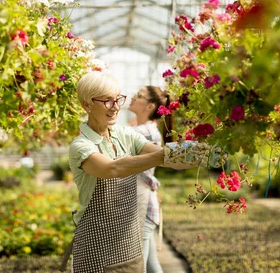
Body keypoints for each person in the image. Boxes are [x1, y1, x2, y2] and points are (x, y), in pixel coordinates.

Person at [62, 71, 210, 273]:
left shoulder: (124, 134)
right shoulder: (81, 145)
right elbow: (112, 168)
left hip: (129, 245)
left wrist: (201, 154)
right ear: (86, 105)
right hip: (95, 249)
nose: (115, 107)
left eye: (117, 99)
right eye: (107, 101)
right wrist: (164, 156)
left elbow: (167, 158)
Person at [129, 86, 170, 273]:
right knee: (152, 266)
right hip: (144, 203)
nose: (133, 98)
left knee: (139, 267)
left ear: (150, 106)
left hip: (141, 205)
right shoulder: (148, 130)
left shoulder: (141, 132)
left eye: (139, 96)